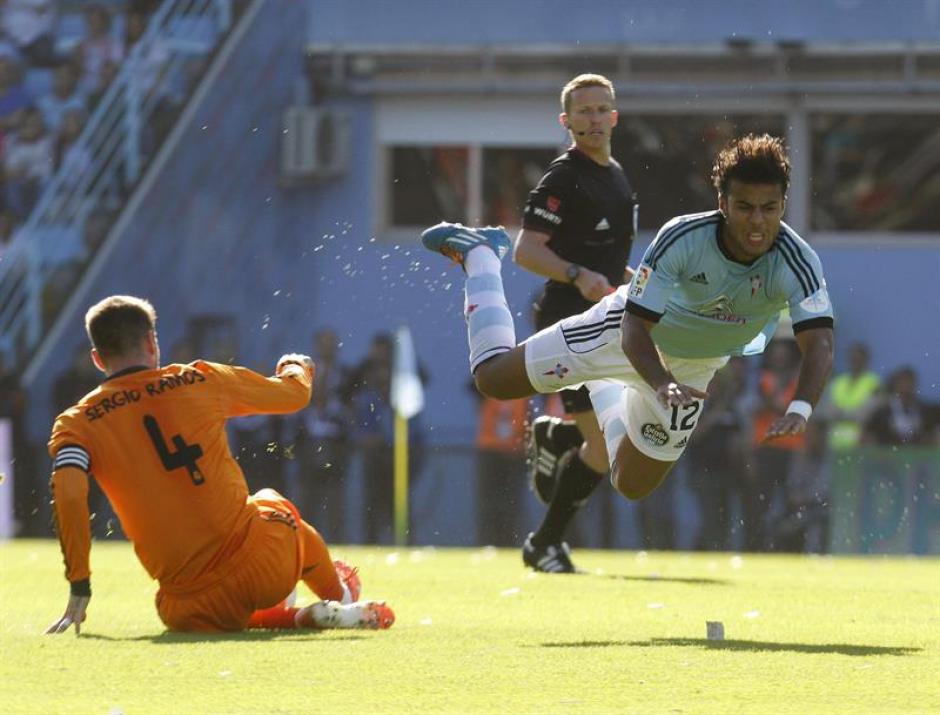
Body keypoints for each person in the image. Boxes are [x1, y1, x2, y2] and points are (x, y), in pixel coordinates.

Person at [420, 133, 834, 569]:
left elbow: (820, 342)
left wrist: (802, 407)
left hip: (692, 371)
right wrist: (659, 383)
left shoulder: (797, 260)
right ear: (723, 202)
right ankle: (482, 256)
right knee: (493, 377)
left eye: (769, 209)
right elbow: (634, 327)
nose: (757, 222)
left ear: (783, 206)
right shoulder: (683, 238)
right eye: (745, 207)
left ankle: (594, 401)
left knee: (631, 484)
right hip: (623, 337)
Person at [45, 295, 394, 634]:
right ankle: (340, 594)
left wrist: (80, 583)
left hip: (186, 606)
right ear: (152, 342)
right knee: (273, 501)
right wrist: (296, 367)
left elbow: (70, 493)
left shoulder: (78, 421)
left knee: (197, 609)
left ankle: (296, 616)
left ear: (97, 358)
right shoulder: (199, 379)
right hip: (265, 565)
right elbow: (294, 395)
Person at [513, 73, 637, 572]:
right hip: (570, 323)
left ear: (615, 115)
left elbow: (604, 255)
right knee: (609, 447)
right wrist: (576, 274)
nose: (594, 118)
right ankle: (543, 544)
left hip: (605, 319)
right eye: (583, 111)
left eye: (601, 108)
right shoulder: (563, 178)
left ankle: (558, 438)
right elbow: (526, 250)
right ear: (566, 121)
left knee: (614, 436)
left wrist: (627, 279)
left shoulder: (617, 173)